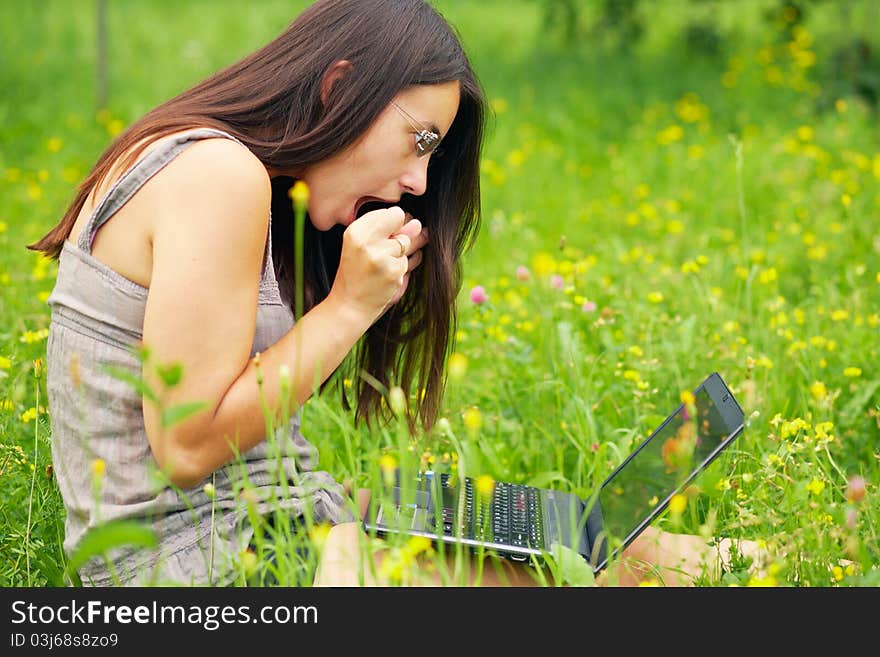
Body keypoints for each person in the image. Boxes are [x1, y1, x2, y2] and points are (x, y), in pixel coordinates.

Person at [30, 0, 761, 587]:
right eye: (420, 142)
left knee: (613, 547)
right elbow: (186, 446)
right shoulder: (217, 174)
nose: (417, 185)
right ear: (340, 87)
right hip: (197, 568)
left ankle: (816, 563)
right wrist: (346, 308)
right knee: (592, 573)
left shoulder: (225, 170)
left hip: (277, 527)